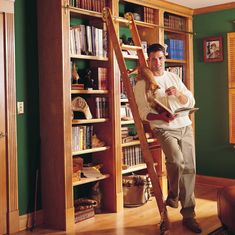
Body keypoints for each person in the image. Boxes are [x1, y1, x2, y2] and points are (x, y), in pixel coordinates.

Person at [134, 43, 202, 233]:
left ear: (165, 58)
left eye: (160, 58)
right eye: (153, 59)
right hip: (164, 128)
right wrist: (159, 116)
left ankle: (189, 215)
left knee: (190, 168)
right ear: (148, 60)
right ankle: (173, 193)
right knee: (177, 161)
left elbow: (191, 101)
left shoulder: (173, 77)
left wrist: (178, 94)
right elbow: (142, 113)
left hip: (184, 125)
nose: (157, 62)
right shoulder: (142, 84)